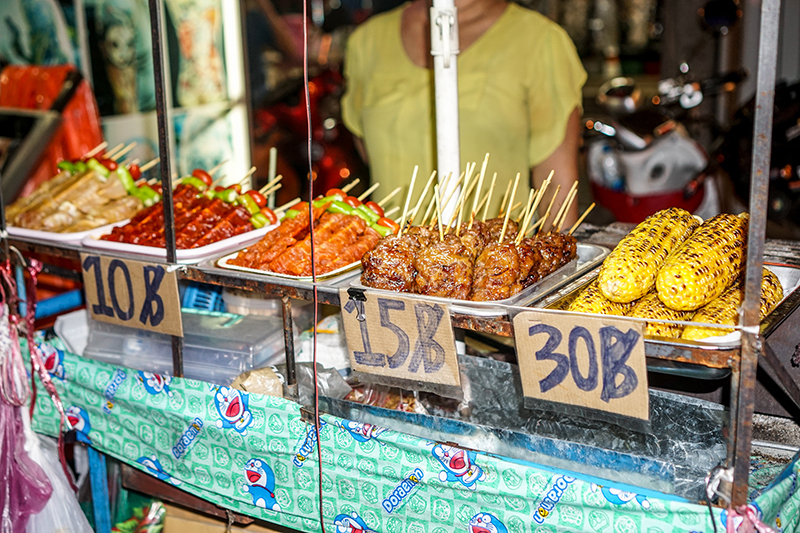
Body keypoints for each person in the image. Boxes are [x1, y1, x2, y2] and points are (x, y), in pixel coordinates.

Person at [341, 0, 586, 225]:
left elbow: (557, 189)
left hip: (495, 265)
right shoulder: (367, 41)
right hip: (390, 267)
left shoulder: (539, 40)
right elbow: (371, 155)